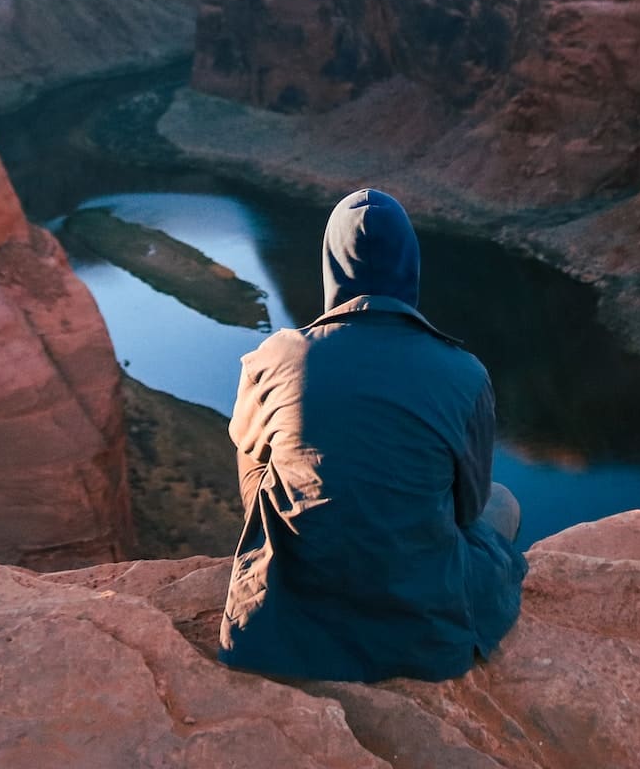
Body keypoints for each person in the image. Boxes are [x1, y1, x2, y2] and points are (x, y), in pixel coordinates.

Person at [218, 187, 528, 683]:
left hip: (287, 618)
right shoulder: (465, 374)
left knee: (253, 445)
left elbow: (253, 458)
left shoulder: (274, 357)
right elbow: (468, 511)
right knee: (503, 504)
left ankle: (289, 549)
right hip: (421, 629)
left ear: (331, 265)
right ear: (409, 265)